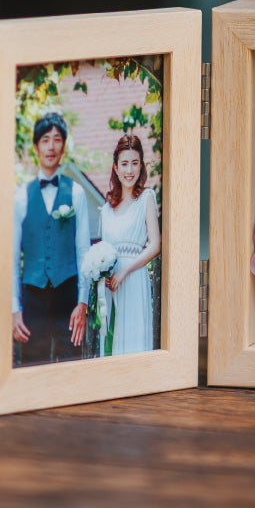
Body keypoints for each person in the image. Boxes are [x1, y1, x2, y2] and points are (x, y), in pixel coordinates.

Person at [12, 112, 91, 365]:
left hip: (68, 296)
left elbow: (83, 251)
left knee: (71, 365)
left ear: (63, 146)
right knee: (32, 366)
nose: (51, 146)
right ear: (36, 147)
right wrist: (15, 309)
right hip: (32, 297)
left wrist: (82, 303)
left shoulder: (76, 193)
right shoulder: (21, 198)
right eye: (45, 140)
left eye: (57, 139)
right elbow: (12, 259)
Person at [98, 134, 161, 356]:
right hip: (111, 285)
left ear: (141, 165)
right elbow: (102, 251)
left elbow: (155, 245)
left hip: (134, 279)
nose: (129, 170)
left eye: (135, 163)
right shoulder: (106, 209)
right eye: (124, 164)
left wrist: (125, 270)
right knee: (112, 341)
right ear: (116, 168)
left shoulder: (146, 198)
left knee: (134, 343)